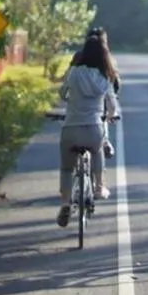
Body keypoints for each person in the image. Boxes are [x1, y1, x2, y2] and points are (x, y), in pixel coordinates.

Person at [56, 35, 119, 227]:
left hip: (71, 127)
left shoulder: (73, 72)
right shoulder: (105, 76)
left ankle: (66, 203)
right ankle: (99, 187)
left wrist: (72, 102)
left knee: (67, 169)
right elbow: (112, 105)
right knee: (97, 150)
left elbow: (62, 94)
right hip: (93, 128)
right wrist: (110, 115)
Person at [70, 26, 121, 157]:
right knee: (103, 114)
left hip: (78, 101)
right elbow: (115, 82)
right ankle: (105, 143)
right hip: (99, 100)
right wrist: (114, 97)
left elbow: (69, 78)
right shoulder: (107, 58)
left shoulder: (78, 56)